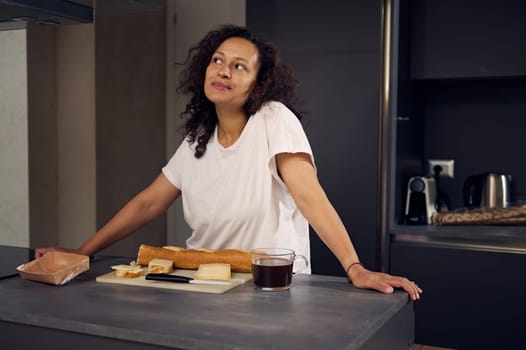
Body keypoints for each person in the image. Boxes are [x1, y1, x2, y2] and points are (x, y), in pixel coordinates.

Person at [36, 24, 422, 301]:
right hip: (203, 286)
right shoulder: (197, 139)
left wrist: (354, 267)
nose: (223, 70)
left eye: (240, 66)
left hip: (272, 288)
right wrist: (82, 253)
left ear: (259, 82)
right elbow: (147, 203)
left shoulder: (273, 119)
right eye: (218, 60)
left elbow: (309, 197)